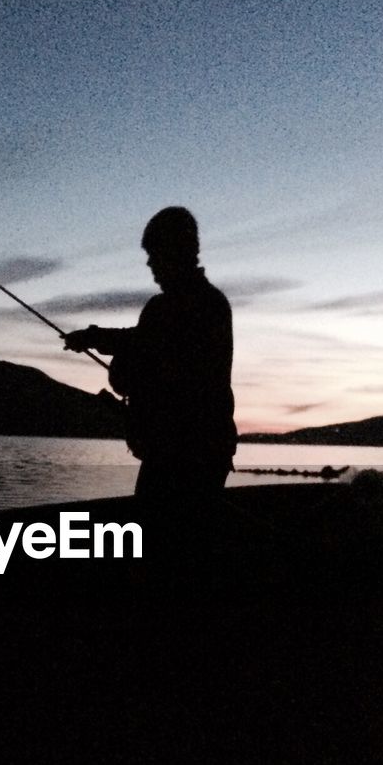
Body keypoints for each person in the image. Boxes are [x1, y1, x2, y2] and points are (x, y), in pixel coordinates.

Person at [63, 206, 236, 538]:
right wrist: (95, 337)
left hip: (180, 455)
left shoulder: (179, 308)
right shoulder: (209, 303)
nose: (150, 263)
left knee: (161, 541)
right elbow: (140, 341)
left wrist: (98, 342)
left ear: (177, 251)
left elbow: (149, 350)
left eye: (154, 253)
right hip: (202, 451)